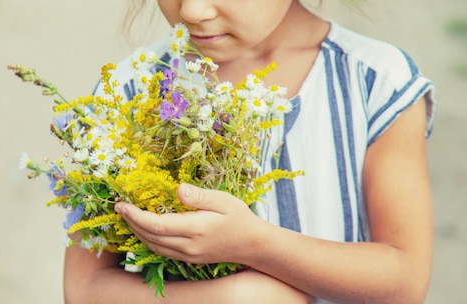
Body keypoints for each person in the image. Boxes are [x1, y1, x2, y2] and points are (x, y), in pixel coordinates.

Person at [63, 0, 436, 303]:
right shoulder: (128, 93)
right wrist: (237, 297)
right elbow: (83, 288)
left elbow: (405, 281)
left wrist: (257, 245)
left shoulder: (374, 83)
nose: (192, 11)